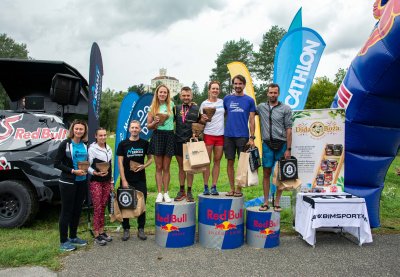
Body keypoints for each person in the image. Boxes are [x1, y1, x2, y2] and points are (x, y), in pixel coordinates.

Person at [54, 119, 89, 252]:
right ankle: (63, 241)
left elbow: (87, 162)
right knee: (66, 211)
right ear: (72, 130)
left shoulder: (85, 145)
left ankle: (73, 237)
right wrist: (73, 171)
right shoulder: (65, 144)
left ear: (84, 131)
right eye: (77, 129)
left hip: (82, 181)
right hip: (68, 182)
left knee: (77, 210)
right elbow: (56, 163)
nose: (79, 131)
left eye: (81, 129)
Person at [257, 83, 292, 212]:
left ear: (278, 93)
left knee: (280, 174)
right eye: (270, 92)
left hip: (282, 144)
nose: (273, 95)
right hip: (267, 144)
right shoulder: (261, 107)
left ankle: (277, 202)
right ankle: (265, 202)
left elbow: (289, 129)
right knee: (266, 173)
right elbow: (249, 112)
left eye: (275, 92)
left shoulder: (286, 109)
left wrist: (288, 149)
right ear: (267, 93)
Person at [117, 120, 153, 241]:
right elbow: (120, 163)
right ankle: (126, 229)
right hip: (127, 179)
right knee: (125, 203)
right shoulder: (123, 144)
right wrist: (123, 180)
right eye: (132, 128)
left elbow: (151, 159)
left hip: (140, 179)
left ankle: (141, 229)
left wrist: (144, 166)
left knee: (141, 203)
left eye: (136, 128)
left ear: (140, 129)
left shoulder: (144, 143)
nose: (134, 130)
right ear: (129, 129)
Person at [223, 75, 256, 197]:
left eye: (240, 84)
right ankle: (231, 188)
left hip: (243, 136)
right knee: (229, 162)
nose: (238, 86)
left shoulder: (249, 100)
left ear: (244, 85)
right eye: (235, 84)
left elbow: (252, 120)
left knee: (242, 163)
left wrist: (252, 137)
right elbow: (222, 115)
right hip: (228, 136)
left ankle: (238, 188)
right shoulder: (227, 99)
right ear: (233, 85)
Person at [173, 86, 205, 202]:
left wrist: (198, 134)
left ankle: (189, 191)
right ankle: (181, 191)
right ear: (181, 96)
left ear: (191, 96)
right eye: (184, 95)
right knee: (181, 167)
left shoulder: (197, 109)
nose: (186, 97)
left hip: (191, 143)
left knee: (190, 168)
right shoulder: (176, 108)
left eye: (188, 95)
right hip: (178, 141)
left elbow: (201, 125)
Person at [147, 84, 175, 203]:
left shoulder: (172, 105)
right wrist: (154, 122)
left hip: (169, 135)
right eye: (160, 92)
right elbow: (148, 126)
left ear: (168, 94)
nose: (162, 94)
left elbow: (176, 119)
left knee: (166, 167)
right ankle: (159, 193)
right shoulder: (152, 107)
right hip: (158, 135)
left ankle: (166, 193)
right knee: (158, 167)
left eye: (165, 92)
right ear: (157, 94)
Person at [88, 127, 113, 246]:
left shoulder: (109, 148)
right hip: (96, 181)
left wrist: (111, 181)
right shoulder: (92, 149)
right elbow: (87, 165)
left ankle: (102, 231)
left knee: (103, 206)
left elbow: (111, 166)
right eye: (100, 135)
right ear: (96, 136)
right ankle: (96, 233)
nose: (103, 137)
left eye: (104, 135)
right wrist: (94, 172)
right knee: (97, 207)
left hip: (107, 181)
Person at [200, 81, 224, 196]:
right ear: (209, 90)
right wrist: (203, 118)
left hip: (220, 135)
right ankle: (205, 186)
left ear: (219, 90)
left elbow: (225, 115)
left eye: (217, 89)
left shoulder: (222, 102)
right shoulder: (204, 103)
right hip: (208, 134)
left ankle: (214, 186)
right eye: (213, 88)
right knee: (206, 162)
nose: (215, 90)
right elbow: (200, 120)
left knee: (217, 161)